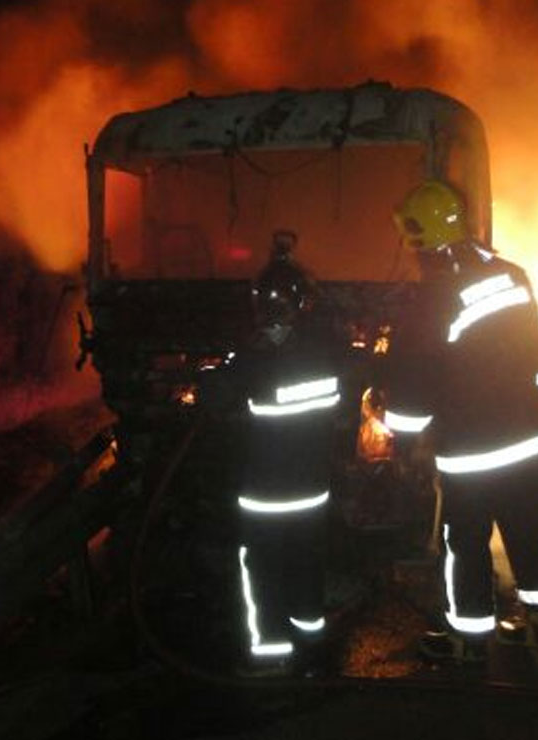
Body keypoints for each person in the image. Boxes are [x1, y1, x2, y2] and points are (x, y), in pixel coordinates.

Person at [381, 181, 538, 664]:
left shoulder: (430, 302)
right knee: (528, 530)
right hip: (527, 436)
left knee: (464, 541)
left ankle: (469, 639)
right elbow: (536, 358)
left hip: (471, 449)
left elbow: (412, 389)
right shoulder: (513, 276)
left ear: (423, 238)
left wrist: (402, 441)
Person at [231, 231, 339, 674]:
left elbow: (225, 405)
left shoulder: (252, 364)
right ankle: (312, 643)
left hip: (265, 494)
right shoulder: (325, 355)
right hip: (312, 489)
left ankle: (269, 656)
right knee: (306, 562)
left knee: (262, 568)